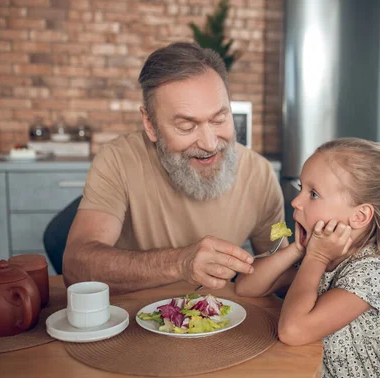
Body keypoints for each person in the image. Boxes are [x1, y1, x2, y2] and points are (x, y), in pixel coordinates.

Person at [63, 42, 286, 294]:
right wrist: (179, 263)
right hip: (134, 322)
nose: (210, 143)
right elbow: (75, 267)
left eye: (219, 119)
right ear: (150, 124)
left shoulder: (261, 175)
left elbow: (279, 270)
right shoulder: (117, 160)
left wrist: (320, 255)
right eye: (186, 127)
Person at [235, 138, 380, 378]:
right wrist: (297, 249)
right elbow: (247, 287)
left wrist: (314, 257)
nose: (296, 201)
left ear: (360, 216)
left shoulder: (371, 272)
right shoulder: (317, 258)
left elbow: (293, 331)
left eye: (313, 194)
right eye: (300, 187)